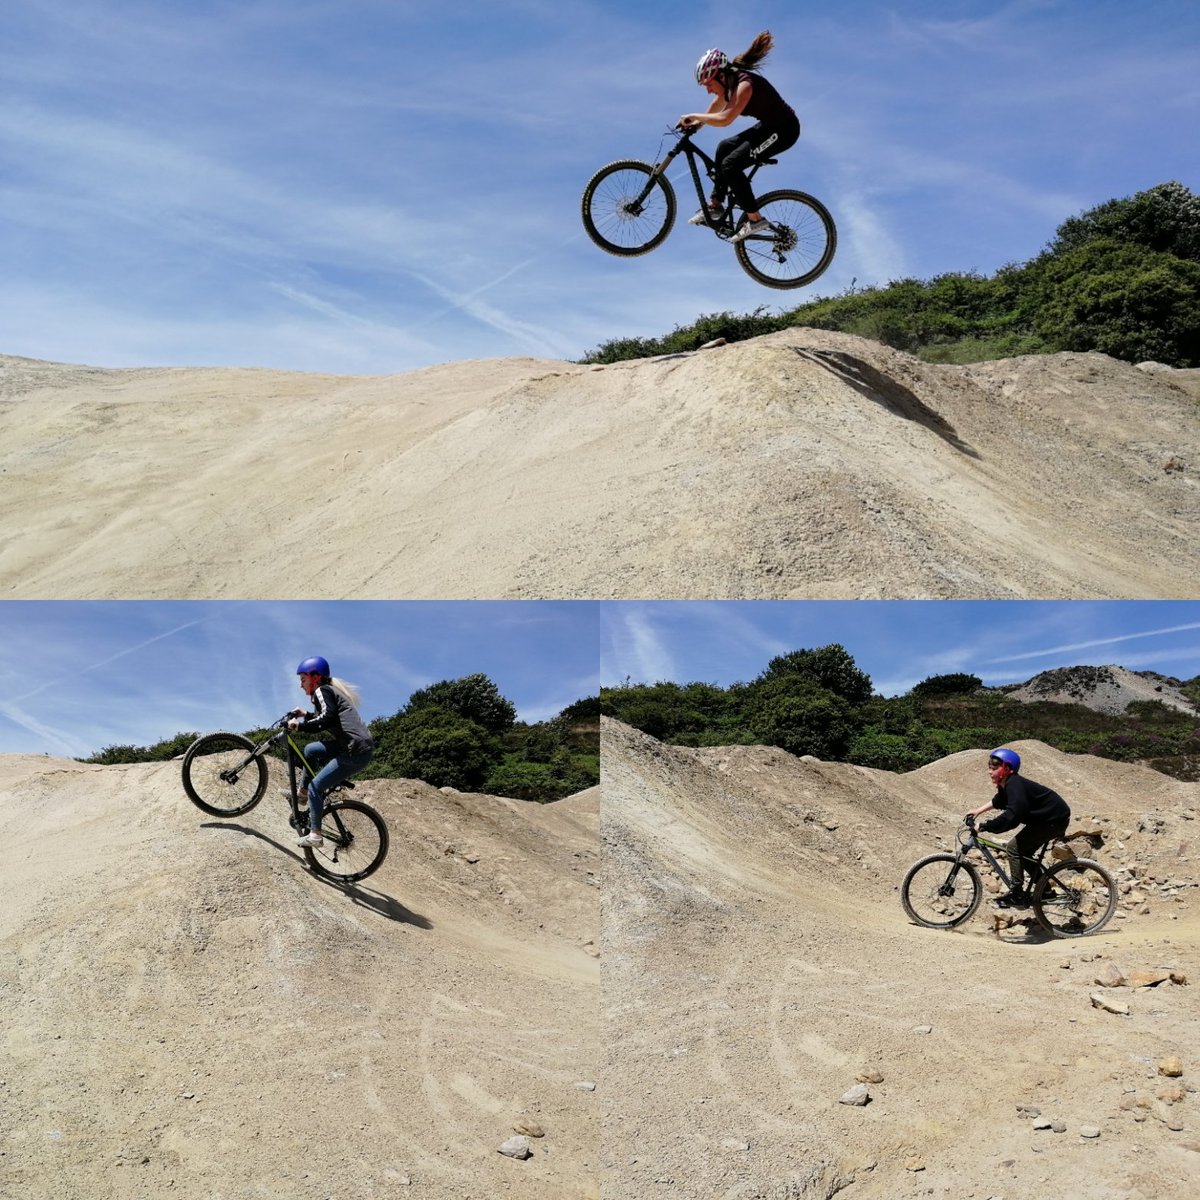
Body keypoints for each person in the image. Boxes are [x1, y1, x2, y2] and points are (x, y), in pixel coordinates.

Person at [679, 31, 800, 243]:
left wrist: (694, 116)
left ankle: (755, 220)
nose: (708, 90)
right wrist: (697, 125)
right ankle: (715, 207)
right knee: (724, 147)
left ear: (721, 76)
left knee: (731, 165)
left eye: (708, 84)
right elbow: (717, 106)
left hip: (785, 130)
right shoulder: (728, 85)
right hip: (768, 126)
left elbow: (725, 119)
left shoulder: (745, 85)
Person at [966, 747, 1071, 909]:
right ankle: (1046, 891)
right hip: (1046, 819)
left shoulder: (1014, 785)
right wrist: (978, 811)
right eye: (990, 768)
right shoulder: (1007, 784)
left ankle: (1016, 893)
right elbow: (999, 800)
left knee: (1013, 848)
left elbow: (1012, 816)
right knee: (1024, 853)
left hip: (1053, 820)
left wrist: (985, 826)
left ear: (1007, 769)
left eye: (994, 768)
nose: (989, 772)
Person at [287, 656, 374, 848]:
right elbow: (326, 717)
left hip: (355, 750)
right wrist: (305, 715)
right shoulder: (326, 692)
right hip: (352, 745)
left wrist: (298, 726)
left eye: (303, 680)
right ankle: (302, 795)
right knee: (311, 750)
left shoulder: (322, 690)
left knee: (316, 787)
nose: (301, 686)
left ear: (315, 677)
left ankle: (316, 835)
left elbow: (325, 719)